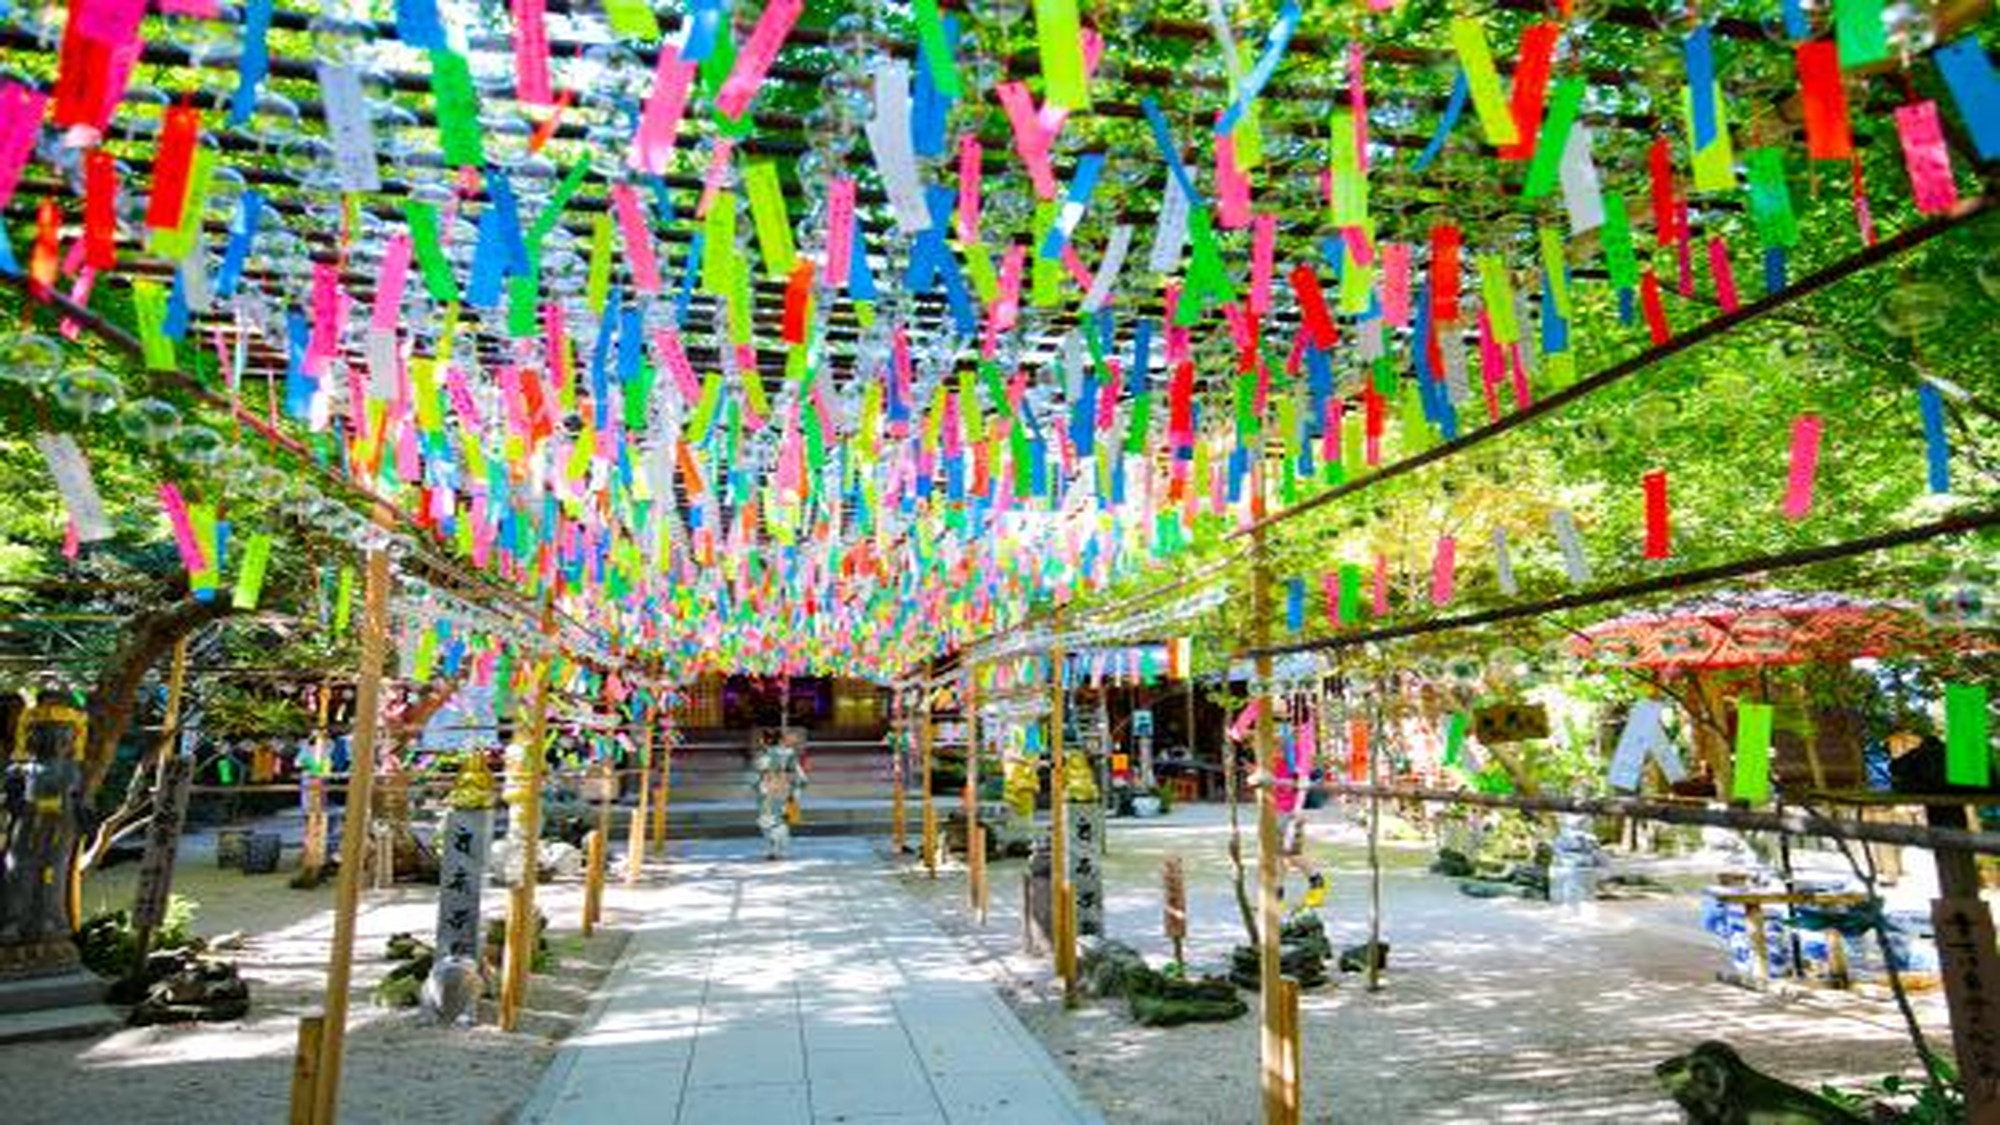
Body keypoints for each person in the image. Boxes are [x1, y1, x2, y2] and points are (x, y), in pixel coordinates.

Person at [750, 728, 808, 860]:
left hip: (769, 785)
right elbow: (797, 772)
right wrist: (799, 784)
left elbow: (760, 769)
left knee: (768, 817)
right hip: (784, 785)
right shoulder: (789, 753)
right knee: (782, 817)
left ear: (766, 740)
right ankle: (779, 848)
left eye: (761, 739)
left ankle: (773, 848)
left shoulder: (765, 754)